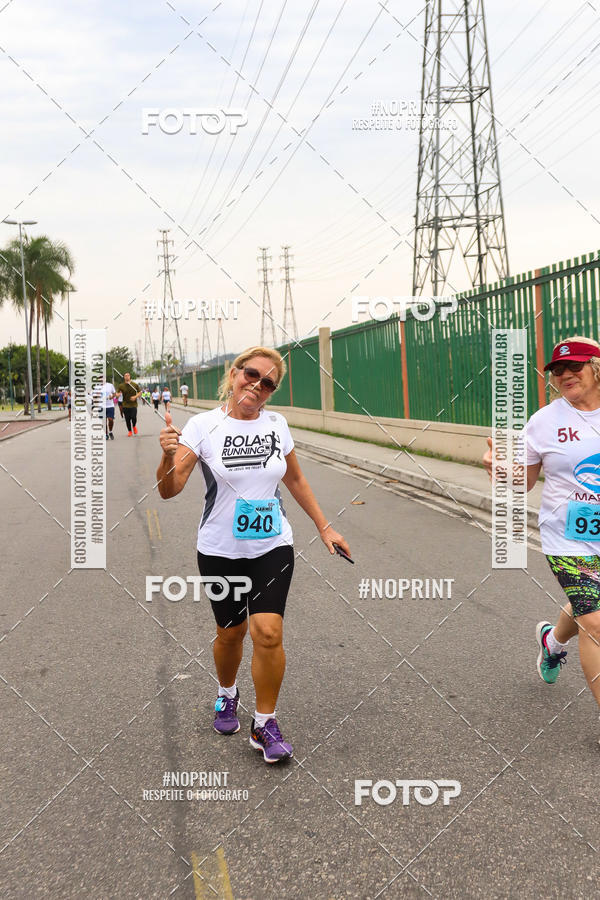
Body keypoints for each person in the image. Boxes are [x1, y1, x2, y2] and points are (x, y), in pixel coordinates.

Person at [157, 347, 351, 763]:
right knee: (231, 633)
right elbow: (169, 490)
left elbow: (295, 479)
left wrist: (324, 526)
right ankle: (227, 693)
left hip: (272, 545)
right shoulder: (204, 426)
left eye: (268, 383)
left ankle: (264, 724)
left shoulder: (277, 425)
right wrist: (167, 455)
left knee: (267, 631)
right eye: (252, 375)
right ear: (234, 373)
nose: (258, 386)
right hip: (220, 550)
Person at [484, 336, 600, 738]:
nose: (565, 375)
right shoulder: (545, 421)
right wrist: (499, 468)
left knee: (589, 606)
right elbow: (525, 481)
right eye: (557, 371)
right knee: (596, 621)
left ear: (596, 367)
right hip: (567, 533)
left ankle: (552, 642)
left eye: (575, 366)